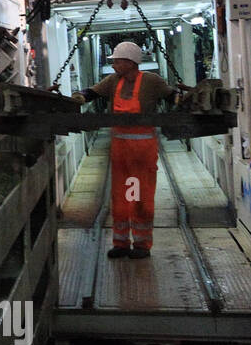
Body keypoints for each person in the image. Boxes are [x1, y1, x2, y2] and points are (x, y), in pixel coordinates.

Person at [70, 40, 180, 260]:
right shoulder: (113, 81)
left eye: (118, 61)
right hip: (121, 152)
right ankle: (120, 243)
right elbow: (92, 92)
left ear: (130, 62)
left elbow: (172, 96)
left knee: (139, 196)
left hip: (142, 152)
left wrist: (185, 102)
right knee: (121, 198)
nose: (114, 65)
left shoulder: (151, 82)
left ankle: (141, 244)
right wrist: (79, 97)